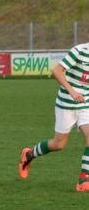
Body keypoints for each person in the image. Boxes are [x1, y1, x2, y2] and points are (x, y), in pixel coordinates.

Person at [19, 42, 89, 192]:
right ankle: (29, 154)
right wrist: (72, 92)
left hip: (86, 104)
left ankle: (84, 180)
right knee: (59, 144)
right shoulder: (79, 51)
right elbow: (56, 71)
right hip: (66, 103)